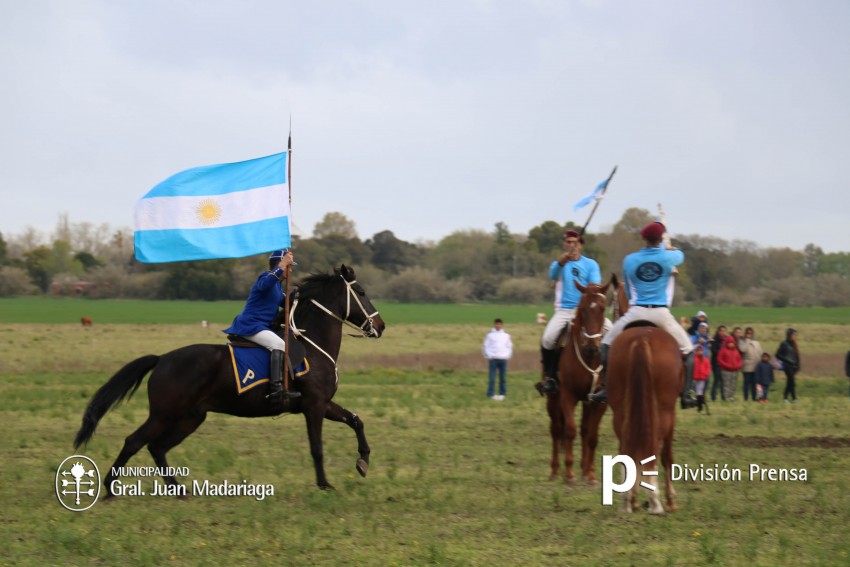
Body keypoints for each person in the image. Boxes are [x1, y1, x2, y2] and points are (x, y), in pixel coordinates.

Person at [589, 221, 695, 408]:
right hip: (661, 313)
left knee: (606, 344)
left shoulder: (629, 260)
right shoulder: (669, 257)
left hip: (636, 311)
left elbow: (629, 291)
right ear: (660, 239)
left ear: (643, 238)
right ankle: (687, 394)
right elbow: (681, 255)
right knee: (689, 351)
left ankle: (605, 387)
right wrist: (670, 248)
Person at [536, 230, 611, 396]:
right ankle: (549, 377)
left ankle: (610, 377)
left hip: (587, 311)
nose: (572, 246)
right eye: (568, 242)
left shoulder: (591, 264)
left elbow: (595, 287)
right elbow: (552, 275)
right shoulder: (559, 264)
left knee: (613, 334)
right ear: (564, 245)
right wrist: (560, 263)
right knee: (548, 339)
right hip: (565, 310)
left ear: (580, 245)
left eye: (574, 243)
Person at [223, 249, 299, 401]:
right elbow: (266, 284)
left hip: (259, 327)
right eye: (289, 267)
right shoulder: (265, 278)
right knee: (278, 344)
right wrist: (283, 264)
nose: (290, 270)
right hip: (250, 325)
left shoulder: (277, 286)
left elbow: (285, 302)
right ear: (280, 264)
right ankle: (276, 389)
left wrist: (299, 294)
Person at [483, 318, 513, 400]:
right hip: (493, 359)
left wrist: (507, 355)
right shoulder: (490, 335)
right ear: (494, 324)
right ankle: (490, 393)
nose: (498, 325)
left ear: (502, 325)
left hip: (503, 359)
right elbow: (486, 346)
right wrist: (489, 356)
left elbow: (509, 346)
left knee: (502, 378)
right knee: (492, 378)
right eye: (496, 324)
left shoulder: (506, 335)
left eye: (499, 324)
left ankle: (502, 393)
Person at [776, 328, 801, 403]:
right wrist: (787, 360)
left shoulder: (794, 344)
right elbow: (778, 355)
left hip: (794, 366)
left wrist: (798, 365)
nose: (794, 336)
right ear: (789, 335)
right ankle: (793, 398)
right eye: (793, 334)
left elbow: (797, 356)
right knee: (792, 381)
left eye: (795, 335)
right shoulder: (784, 344)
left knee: (789, 382)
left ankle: (786, 398)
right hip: (787, 366)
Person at [738, 327, 763, 402]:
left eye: (751, 333)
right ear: (745, 334)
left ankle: (754, 398)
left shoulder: (756, 342)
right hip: (747, 366)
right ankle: (746, 398)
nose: (749, 335)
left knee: (754, 384)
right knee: (746, 383)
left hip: (756, 366)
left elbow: (760, 352)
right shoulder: (742, 342)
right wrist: (747, 341)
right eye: (748, 333)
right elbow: (743, 350)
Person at [717, 335, 743, 402]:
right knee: (726, 384)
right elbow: (719, 359)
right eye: (729, 343)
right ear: (727, 343)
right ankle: (726, 398)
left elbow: (739, 360)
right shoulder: (723, 350)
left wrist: (738, 366)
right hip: (726, 370)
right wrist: (726, 365)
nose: (731, 344)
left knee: (733, 384)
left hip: (735, 371)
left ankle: (731, 397)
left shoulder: (736, 351)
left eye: (732, 343)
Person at [710, 325, 728, 401]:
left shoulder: (727, 340)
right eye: (721, 330)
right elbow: (713, 350)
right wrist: (722, 353)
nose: (722, 332)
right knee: (716, 380)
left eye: (724, 330)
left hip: (724, 363)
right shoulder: (715, 340)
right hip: (716, 363)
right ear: (718, 331)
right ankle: (713, 396)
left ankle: (723, 396)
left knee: (723, 381)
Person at [693, 345, 712, 412]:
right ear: (695, 351)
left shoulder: (705, 359)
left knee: (699, 391)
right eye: (698, 351)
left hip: (702, 378)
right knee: (696, 392)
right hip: (695, 377)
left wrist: (706, 374)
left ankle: (700, 406)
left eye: (701, 350)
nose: (699, 352)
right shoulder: (694, 359)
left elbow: (708, 368)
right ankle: (700, 403)